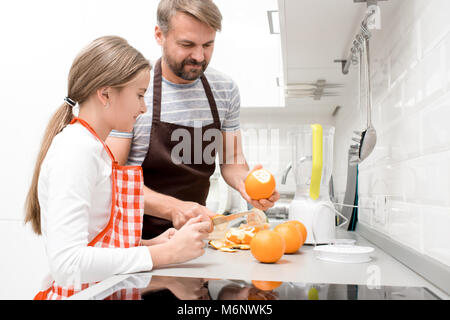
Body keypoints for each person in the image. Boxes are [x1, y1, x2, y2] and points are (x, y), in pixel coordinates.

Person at [24, 36, 211, 300]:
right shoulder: (75, 150)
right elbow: (68, 265)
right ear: (105, 94)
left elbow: (96, 242)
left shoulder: (94, 148)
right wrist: (164, 254)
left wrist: (151, 244)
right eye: (139, 95)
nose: (143, 108)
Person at [106, 0, 280, 240]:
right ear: (160, 35)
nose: (199, 56)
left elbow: (232, 160)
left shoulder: (225, 89)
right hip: (136, 241)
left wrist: (248, 186)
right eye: (187, 44)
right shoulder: (134, 87)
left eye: (208, 44)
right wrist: (175, 208)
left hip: (196, 239)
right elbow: (113, 178)